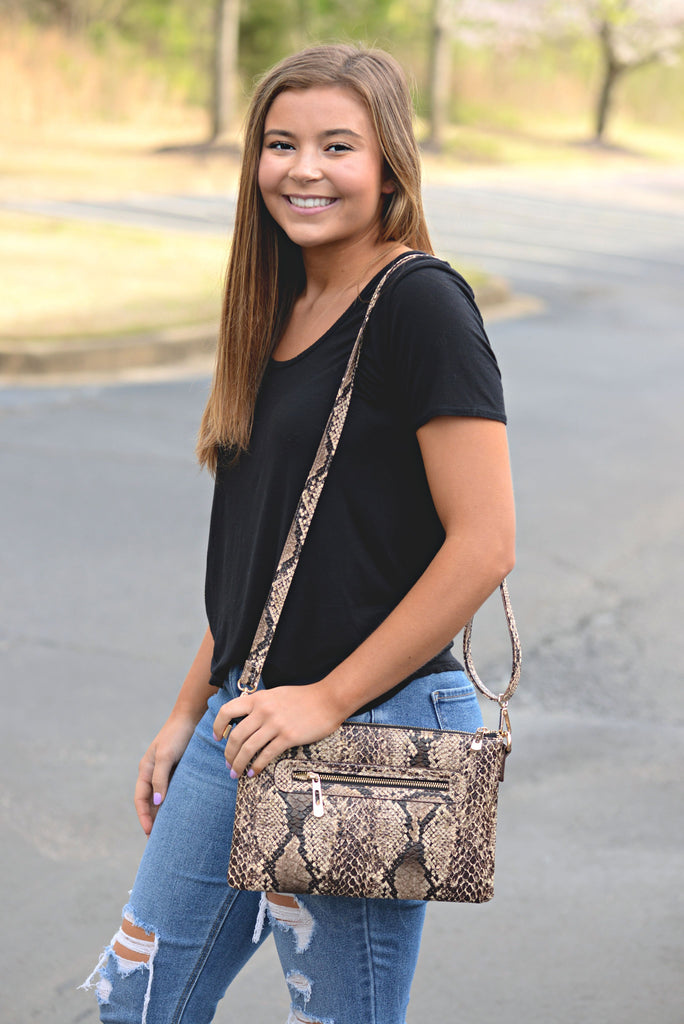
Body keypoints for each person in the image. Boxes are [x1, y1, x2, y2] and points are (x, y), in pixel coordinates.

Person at [81, 42, 515, 1024]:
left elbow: (485, 543)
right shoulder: (274, 303)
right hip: (246, 719)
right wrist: (188, 707)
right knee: (136, 1000)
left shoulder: (419, 305)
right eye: (281, 144)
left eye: (336, 145)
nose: (304, 169)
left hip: (364, 728)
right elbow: (264, 559)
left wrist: (323, 696)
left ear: (390, 162)